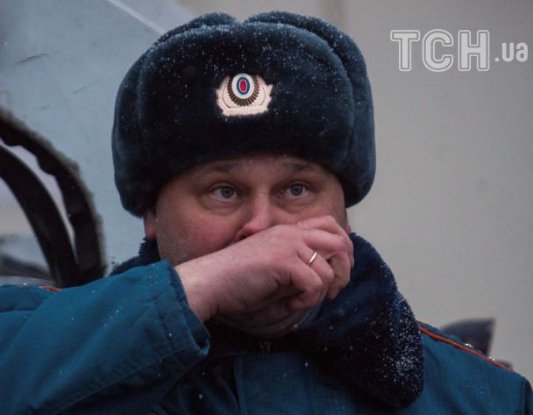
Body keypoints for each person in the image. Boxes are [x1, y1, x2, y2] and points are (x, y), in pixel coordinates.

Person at [0, 11, 531, 415]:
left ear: (343, 211)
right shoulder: (41, 350)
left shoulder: (486, 398)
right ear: (151, 214)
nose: (263, 227)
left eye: (297, 189)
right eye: (223, 191)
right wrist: (197, 290)